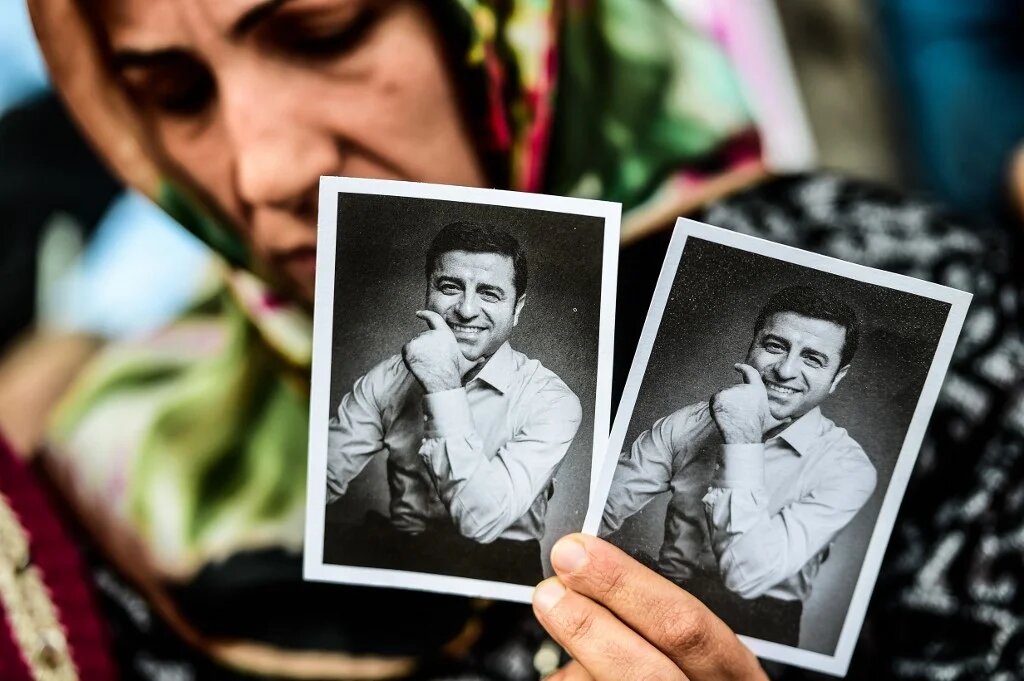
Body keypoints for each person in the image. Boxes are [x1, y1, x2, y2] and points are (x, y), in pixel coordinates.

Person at [13, 0, 1021, 678]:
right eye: (172, 94)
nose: (264, 166)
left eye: (324, 31)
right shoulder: (128, 468)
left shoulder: (924, 292)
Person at [600, 285, 878, 645]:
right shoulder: (690, 423)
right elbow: (599, 509)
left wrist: (742, 442)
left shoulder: (849, 469)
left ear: (837, 378)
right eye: (775, 346)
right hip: (664, 600)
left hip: (759, 629)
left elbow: (746, 576)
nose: (785, 370)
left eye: (812, 359)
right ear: (752, 346)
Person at [324, 221, 581, 583]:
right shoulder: (388, 378)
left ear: (517, 308)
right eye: (450, 287)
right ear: (427, 291)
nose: (466, 310)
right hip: (404, 561)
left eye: (489, 293)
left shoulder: (552, 401)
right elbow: (320, 474)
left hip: (501, 574)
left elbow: (482, 521)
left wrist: (442, 385)